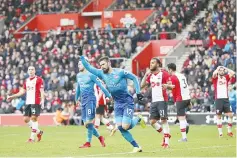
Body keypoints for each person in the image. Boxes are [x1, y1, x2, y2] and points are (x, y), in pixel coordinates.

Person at [80, 55, 146, 153]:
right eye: (100, 65)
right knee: (120, 127)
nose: (102, 66)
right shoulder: (101, 73)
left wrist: (138, 92)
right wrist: (81, 55)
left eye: (103, 64)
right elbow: (89, 67)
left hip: (127, 102)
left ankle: (138, 119)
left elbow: (134, 78)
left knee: (125, 126)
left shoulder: (120, 72)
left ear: (109, 63)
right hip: (117, 104)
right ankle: (136, 146)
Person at [75, 60, 112, 148]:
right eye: (78, 64)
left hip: (90, 100)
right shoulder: (78, 75)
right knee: (87, 125)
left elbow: (101, 86)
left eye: (80, 64)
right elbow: (78, 88)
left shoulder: (91, 75)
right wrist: (76, 99)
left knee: (88, 123)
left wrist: (109, 96)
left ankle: (88, 142)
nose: (78, 66)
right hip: (83, 101)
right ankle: (100, 137)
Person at [7, 66, 44, 142]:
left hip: (35, 101)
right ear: (27, 71)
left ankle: (32, 138)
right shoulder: (26, 81)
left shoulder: (39, 79)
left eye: (32, 69)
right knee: (26, 119)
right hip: (28, 102)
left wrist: (42, 100)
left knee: (34, 118)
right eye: (29, 70)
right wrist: (12, 96)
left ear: (34, 71)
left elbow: (42, 90)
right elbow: (22, 92)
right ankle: (39, 132)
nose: (31, 71)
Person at [140, 58, 171, 148]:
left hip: (162, 100)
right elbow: (142, 85)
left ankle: (167, 142)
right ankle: (165, 135)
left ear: (158, 64)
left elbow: (171, 86)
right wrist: (145, 75)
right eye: (150, 63)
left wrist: (167, 86)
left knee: (163, 120)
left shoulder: (164, 73)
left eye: (153, 63)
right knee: (152, 122)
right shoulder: (150, 75)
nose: (151, 64)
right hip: (154, 101)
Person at [164, 63, 191, 142]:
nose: (167, 71)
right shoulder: (182, 76)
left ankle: (184, 138)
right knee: (182, 117)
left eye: (168, 70)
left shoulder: (173, 77)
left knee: (181, 118)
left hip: (181, 98)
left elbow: (171, 87)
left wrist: (165, 85)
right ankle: (186, 124)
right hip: (187, 97)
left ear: (170, 69)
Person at [212, 66, 235, 137]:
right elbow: (214, 74)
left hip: (226, 99)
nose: (222, 71)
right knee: (219, 116)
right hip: (218, 99)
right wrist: (218, 68)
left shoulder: (226, 77)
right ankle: (220, 134)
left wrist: (225, 68)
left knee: (231, 115)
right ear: (218, 71)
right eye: (220, 71)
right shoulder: (215, 78)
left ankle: (229, 131)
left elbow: (233, 73)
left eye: (222, 71)